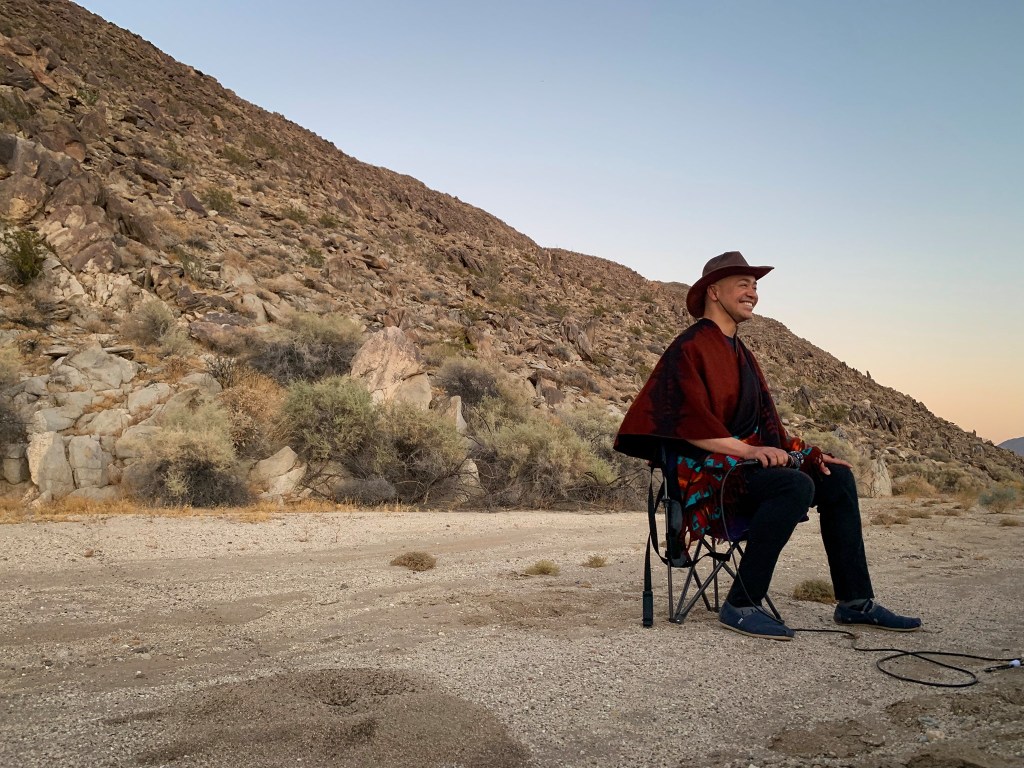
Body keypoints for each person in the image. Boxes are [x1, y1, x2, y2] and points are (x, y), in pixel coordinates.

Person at [614, 251, 921, 640]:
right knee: (794, 485)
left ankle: (855, 602)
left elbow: (768, 428)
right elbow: (685, 424)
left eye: (755, 286)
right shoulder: (689, 348)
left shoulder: (743, 354)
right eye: (743, 284)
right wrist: (748, 452)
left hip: (746, 473)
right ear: (714, 291)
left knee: (835, 476)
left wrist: (806, 455)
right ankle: (741, 604)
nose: (753, 293)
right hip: (706, 481)